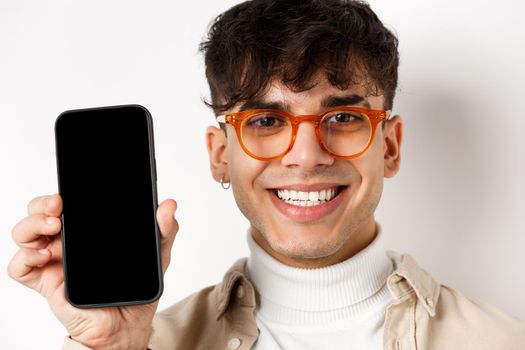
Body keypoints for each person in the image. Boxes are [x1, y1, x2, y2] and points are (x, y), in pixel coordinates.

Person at [7, 0, 525, 349]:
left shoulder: (499, 341)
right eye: (265, 120)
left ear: (389, 146)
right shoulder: (147, 345)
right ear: (220, 156)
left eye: (343, 117)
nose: (305, 155)